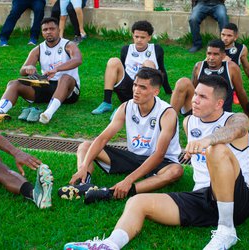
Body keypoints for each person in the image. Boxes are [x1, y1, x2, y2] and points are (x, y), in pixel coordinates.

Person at [64, 75, 249, 250]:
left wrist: (209, 140)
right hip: (203, 198)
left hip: (238, 198)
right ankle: (110, 244)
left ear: (219, 103)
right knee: (137, 201)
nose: (195, 99)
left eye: (203, 97)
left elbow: (237, 129)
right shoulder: (190, 122)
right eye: (195, 94)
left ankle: (227, 230)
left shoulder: (235, 119)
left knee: (217, 148)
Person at [59, 67, 183, 203]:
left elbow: (159, 154)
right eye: (135, 85)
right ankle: (84, 183)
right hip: (133, 158)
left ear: (156, 91)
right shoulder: (126, 107)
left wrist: (128, 180)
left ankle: (111, 193)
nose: (136, 90)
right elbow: (103, 138)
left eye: (143, 87)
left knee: (176, 171)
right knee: (85, 146)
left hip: (161, 162)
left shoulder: (167, 113)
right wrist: (83, 166)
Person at [0, 17, 82, 125]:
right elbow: (22, 71)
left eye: (52, 29)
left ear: (58, 30)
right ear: (42, 32)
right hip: (47, 86)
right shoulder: (38, 49)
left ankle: (48, 113)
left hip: (69, 91)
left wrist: (57, 69)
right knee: (14, 83)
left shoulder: (69, 45)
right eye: (45, 30)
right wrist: (28, 68)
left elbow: (77, 60)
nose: (48, 32)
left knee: (65, 78)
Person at [170, 39, 249, 120]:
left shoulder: (231, 68)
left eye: (215, 54)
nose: (211, 57)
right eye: (209, 53)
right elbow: (193, 90)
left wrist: (248, 113)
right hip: (199, 110)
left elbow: (240, 92)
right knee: (183, 82)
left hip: (219, 114)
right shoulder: (199, 66)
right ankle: (169, 118)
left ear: (223, 55)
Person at [91, 20, 172, 116]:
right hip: (128, 87)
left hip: (145, 89)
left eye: (142, 37)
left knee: (148, 63)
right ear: (132, 36)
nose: (139, 40)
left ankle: (127, 108)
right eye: (136, 37)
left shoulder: (156, 49)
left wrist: (168, 90)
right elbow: (121, 70)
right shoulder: (126, 49)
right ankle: (106, 102)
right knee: (114, 61)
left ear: (149, 37)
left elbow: (162, 69)